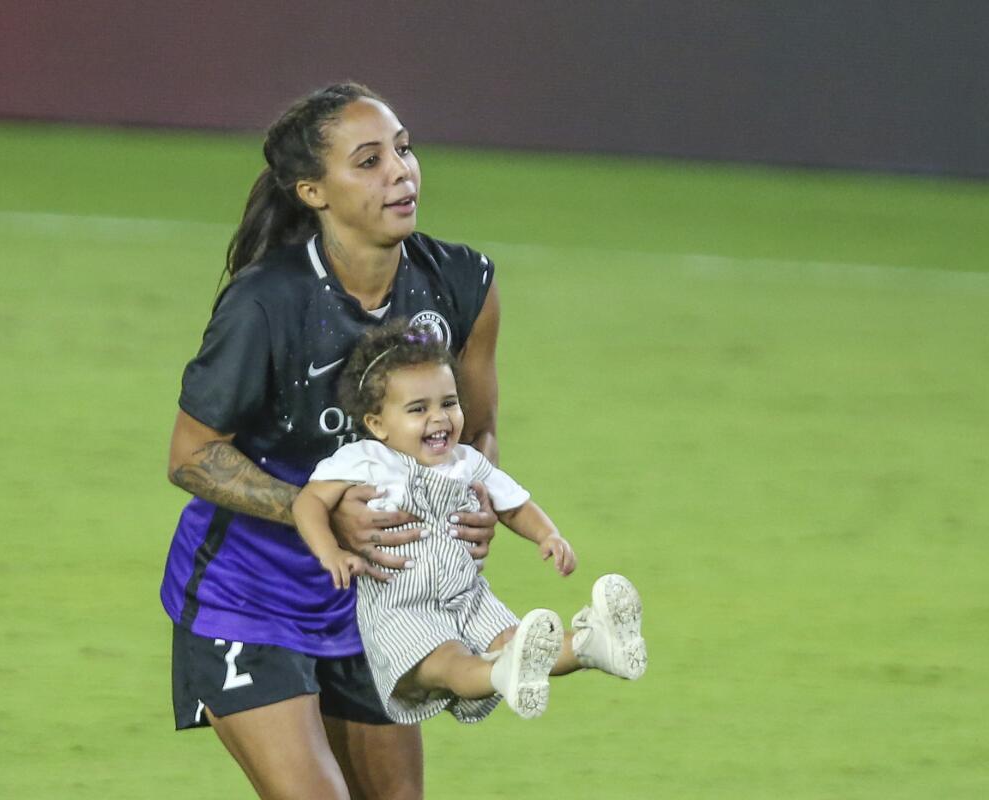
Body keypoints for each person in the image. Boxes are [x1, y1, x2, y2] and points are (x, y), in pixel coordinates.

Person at [161, 83, 503, 800]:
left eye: (404, 151)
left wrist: (478, 498)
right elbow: (190, 453)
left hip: (377, 597)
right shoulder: (268, 302)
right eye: (370, 161)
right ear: (313, 189)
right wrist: (319, 511)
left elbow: (476, 432)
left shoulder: (461, 284)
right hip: (250, 595)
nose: (401, 173)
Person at [293, 320, 648, 724]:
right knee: (449, 661)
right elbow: (308, 503)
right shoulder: (364, 461)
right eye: (418, 409)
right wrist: (330, 552)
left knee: (524, 643)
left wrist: (547, 534)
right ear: (377, 424)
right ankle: (503, 672)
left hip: (468, 595)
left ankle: (597, 645)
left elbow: (514, 504)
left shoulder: (467, 461)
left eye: (448, 403)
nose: (439, 418)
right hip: (401, 608)